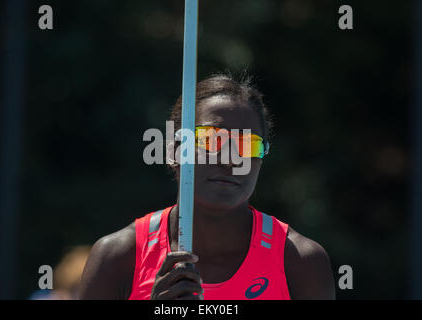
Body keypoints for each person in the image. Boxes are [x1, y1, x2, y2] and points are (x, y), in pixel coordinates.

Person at [78, 74, 336, 300]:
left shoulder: (300, 262)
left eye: (248, 145)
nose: (230, 159)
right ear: (174, 151)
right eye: (212, 139)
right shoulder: (118, 258)